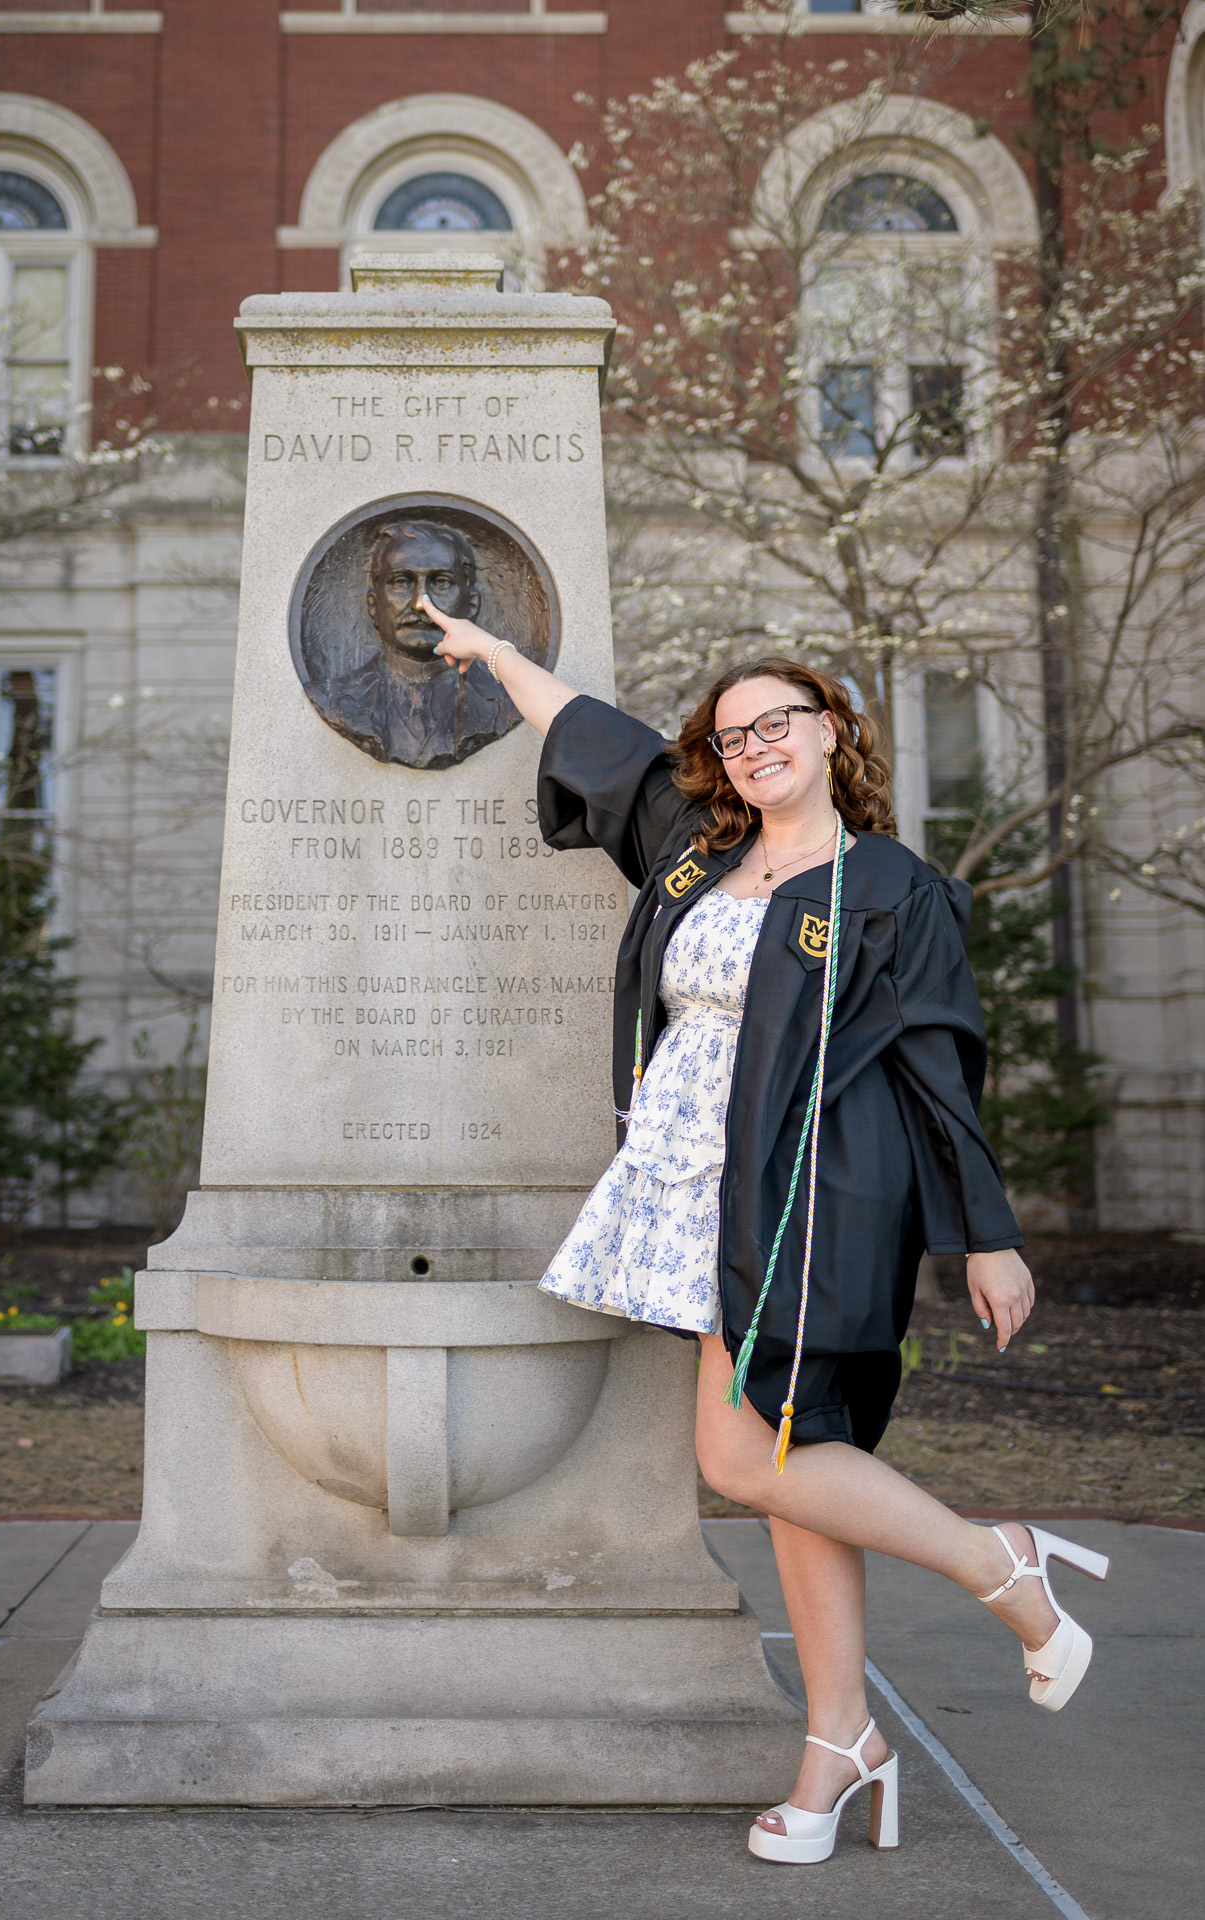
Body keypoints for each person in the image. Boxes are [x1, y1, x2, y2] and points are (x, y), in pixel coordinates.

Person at [428, 597, 1111, 1867]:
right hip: (690, 1189)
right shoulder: (695, 850)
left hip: (810, 1189)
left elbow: (939, 1068)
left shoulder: (891, 891)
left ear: (829, 730)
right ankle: (839, 1741)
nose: (753, 747)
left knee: (745, 1455)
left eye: (776, 722)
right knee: (797, 1451)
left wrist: (987, 1234)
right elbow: (594, 740)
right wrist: (496, 654)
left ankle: (1000, 1563)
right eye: (732, 735)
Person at [321, 521, 516, 770]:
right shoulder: (333, 698)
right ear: (373, 605)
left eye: (441, 583)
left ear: (472, 605)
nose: (420, 604)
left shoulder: (509, 701)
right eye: (401, 582)